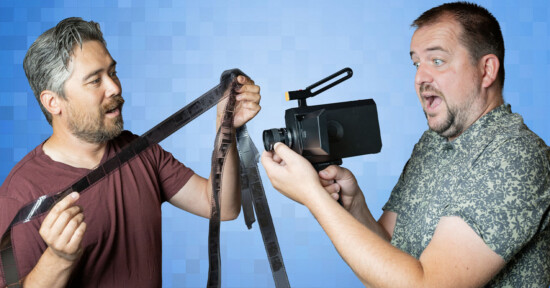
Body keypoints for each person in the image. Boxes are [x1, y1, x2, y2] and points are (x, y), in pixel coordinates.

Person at [262, 2, 550, 287]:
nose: (420, 77)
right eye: (416, 63)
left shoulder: (517, 156)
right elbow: (391, 255)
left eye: (437, 61)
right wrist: (353, 206)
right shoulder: (433, 143)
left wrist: (312, 197)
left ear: (486, 70)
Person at [0, 17, 261, 287]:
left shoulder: (140, 152)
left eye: (112, 72)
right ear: (53, 102)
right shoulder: (20, 194)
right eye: (94, 80)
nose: (114, 87)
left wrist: (225, 130)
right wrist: (58, 258)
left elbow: (223, 207)